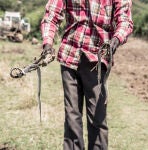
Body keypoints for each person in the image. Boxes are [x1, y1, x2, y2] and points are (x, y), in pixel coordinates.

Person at [41, 0, 133, 149]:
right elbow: (52, 14)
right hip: (70, 56)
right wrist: (47, 43)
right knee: (72, 117)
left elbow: (125, 20)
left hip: (97, 60)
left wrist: (115, 40)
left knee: (97, 120)